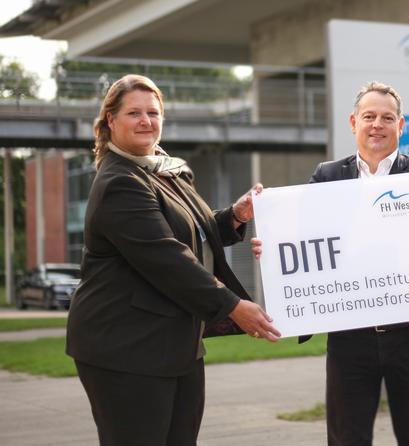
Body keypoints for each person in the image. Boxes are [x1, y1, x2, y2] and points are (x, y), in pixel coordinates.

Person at [66, 74, 281, 446]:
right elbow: (167, 257)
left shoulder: (163, 170)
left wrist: (235, 216)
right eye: (134, 113)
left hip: (174, 343)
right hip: (126, 348)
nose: (146, 121)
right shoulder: (121, 182)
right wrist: (232, 306)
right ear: (110, 122)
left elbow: (192, 233)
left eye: (153, 112)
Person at [253, 81, 409, 446]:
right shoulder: (326, 177)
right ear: (353, 122)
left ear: (401, 127)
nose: (377, 124)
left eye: (387, 118)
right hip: (349, 338)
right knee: (346, 438)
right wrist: (273, 250)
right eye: (369, 116)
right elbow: (305, 237)